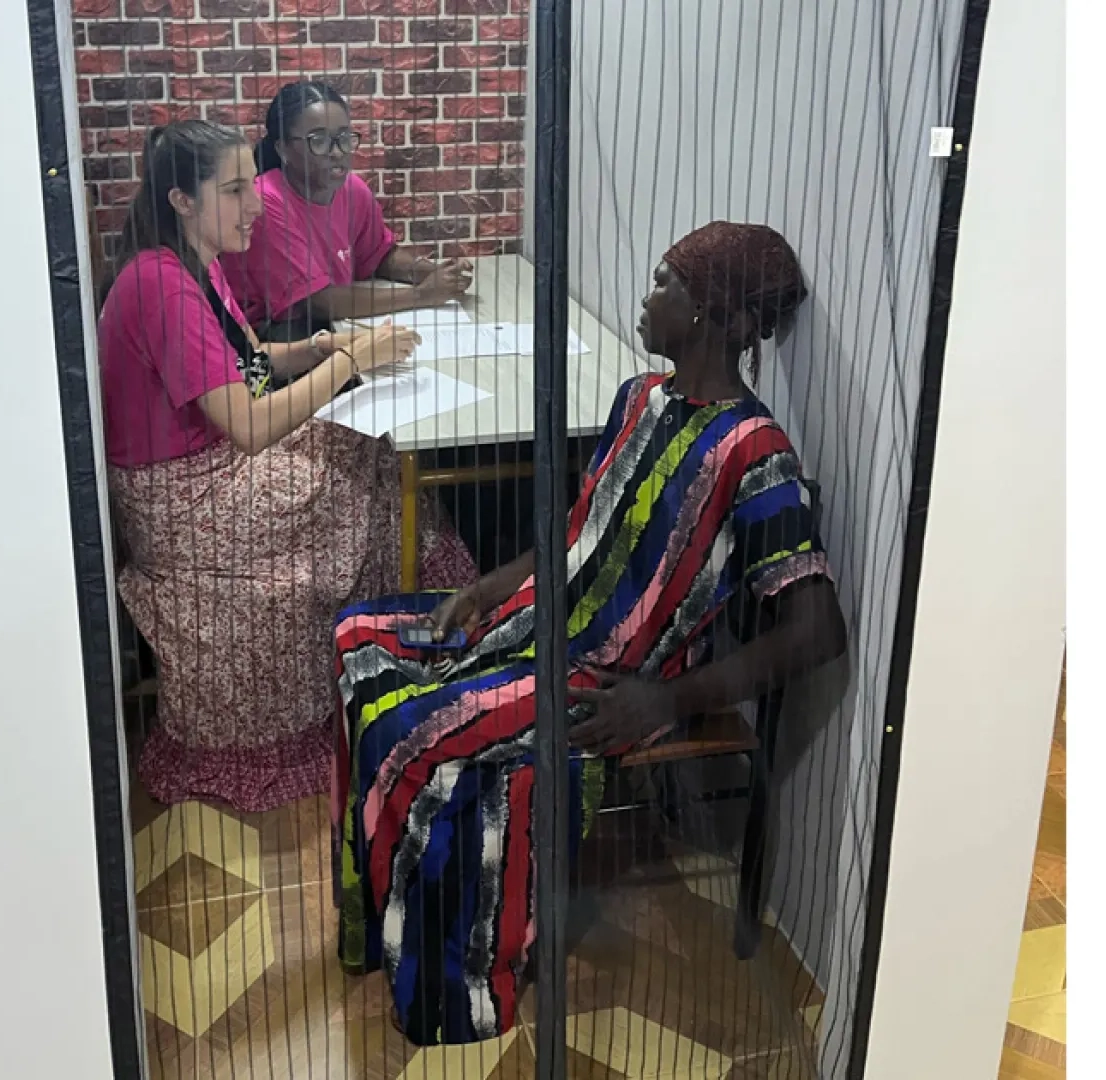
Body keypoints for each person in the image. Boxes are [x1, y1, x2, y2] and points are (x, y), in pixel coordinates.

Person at [329, 222, 850, 1044]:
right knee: (359, 634)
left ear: (713, 313)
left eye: (663, 284)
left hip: (609, 672)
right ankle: (381, 917)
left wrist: (665, 699)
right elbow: (578, 530)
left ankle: (452, 985)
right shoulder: (641, 399)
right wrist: (487, 585)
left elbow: (818, 629)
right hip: (543, 615)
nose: (647, 301)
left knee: (414, 730)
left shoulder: (756, 454)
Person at [100, 120, 477, 812]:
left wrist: (310, 351)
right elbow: (246, 425)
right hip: (182, 498)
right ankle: (403, 646)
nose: (256, 206)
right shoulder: (158, 284)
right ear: (182, 199)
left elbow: (247, 361)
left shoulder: (194, 260)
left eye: (253, 185)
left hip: (208, 466)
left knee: (371, 453)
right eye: (236, 189)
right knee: (361, 464)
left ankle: (398, 647)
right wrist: (348, 363)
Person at [218, 80, 475, 349]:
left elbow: (378, 255)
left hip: (333, 324)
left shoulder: (352, 188)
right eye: (319, 141)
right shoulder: (264, 202)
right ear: (283, 149)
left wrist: (432, 272)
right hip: (272, 340)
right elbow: (317, 302)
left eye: (343, 137)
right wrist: (421, 294)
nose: (337, 152)